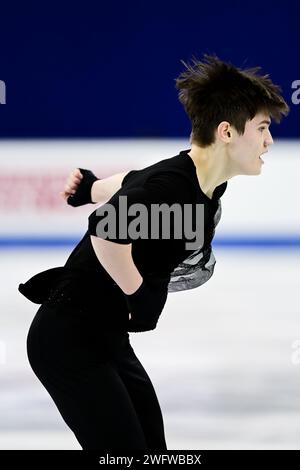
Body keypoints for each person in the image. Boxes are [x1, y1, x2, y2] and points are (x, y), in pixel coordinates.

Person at [19, 54, 289, 450]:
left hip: (104, 336)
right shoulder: (174, 188)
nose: (268, 141)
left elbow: (133, 181)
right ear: (227, 132)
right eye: (263, 128)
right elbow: (106, 231)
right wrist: (138, 291)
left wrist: (90, 189)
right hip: (66, 339)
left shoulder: (198, 181)